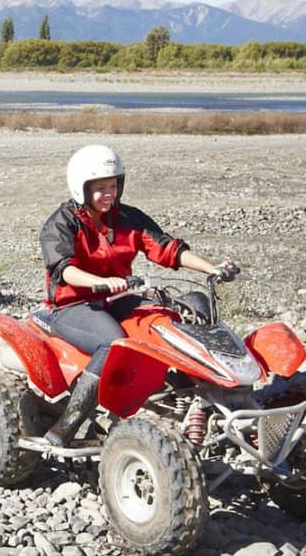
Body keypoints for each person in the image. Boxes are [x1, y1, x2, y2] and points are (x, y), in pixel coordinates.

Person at [38, 144, 238, 446]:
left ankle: (193, 400)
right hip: (72, 306)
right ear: (81, 188)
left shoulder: (128, 218)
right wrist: (99, 283)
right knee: (113, 342)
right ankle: (69, 423)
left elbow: (167, 249)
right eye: (100, 188)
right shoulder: (61, 223)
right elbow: (63, 270)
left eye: (113, 186)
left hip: (116, 300)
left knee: (175, 317)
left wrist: (211, 268)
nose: (109, 194)